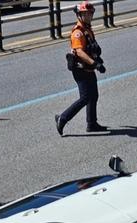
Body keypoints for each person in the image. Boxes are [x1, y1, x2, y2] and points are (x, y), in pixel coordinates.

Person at [55, 1, 107, 136]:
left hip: (88, 68)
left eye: (90, 14)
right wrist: (95, 64)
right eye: (86, 14)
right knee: (85, 97)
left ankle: (92, 123)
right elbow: (79, 52)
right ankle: (63, 118)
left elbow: (91, 48)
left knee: (93, 96)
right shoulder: (78, 32)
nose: (89, 16)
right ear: (79, 15)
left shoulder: (87, 29)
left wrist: (97, 59)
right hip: (80, 69)